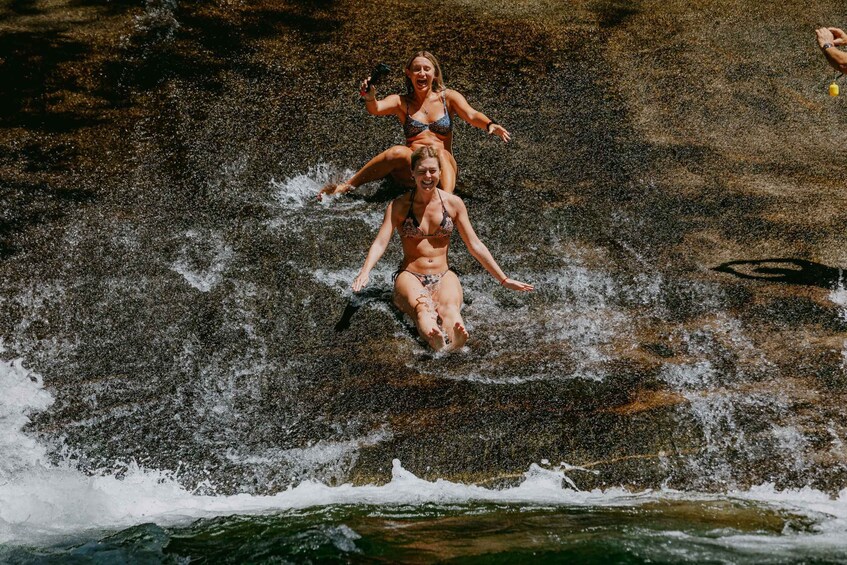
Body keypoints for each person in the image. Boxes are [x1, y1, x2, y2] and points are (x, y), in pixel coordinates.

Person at [351, 146, 533, 352]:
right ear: (412, 173)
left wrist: (503, 279)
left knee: (450, 309)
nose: (427, 176)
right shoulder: (399, 206)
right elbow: (380, 242)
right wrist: (365, 271)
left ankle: (455, 341)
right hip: (410, 275)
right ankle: (434, 339)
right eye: (421, 171)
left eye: (432, 171)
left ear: (440, 172)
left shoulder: (454, 204)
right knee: (423, 310)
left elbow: (474, 244)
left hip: (444, 273)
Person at [319, 51, 510, 199]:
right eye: (417, 69)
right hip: (413, 170)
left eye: (427, 69)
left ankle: (447, 199)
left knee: (441, 153)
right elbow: (376, 108)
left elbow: (471, 114)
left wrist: (489, 124)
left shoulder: (448, 98)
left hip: (442, 169)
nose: (422, 73)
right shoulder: (401, 102)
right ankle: (347, 185)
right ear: (409, 74)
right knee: (397, 151)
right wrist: (370, 97)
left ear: (434, 74)